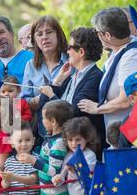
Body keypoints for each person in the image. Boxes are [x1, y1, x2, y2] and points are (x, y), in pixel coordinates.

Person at [78, 7, 137, 130]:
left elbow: (126, 100)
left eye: (97, 33)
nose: (97, 36)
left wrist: (96, 108)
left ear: (107, 35)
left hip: (131, 135)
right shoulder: (118, 49)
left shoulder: (132, 57)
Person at [37, 27, 106, 155]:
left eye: (70, 47)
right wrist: (57, 80)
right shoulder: (70, 76)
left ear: (81, 52)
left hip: (83, 152)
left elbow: (73, 113)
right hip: (63, 148)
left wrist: (52, 95)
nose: (67, 51)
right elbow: (43, 105)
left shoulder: (95, 77)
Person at [20, 15, 74, 142]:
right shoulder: (30, 65)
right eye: (39, 34)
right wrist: (38, 100)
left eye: (49, 32)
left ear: (58, 35)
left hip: (71, 133)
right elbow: (24, 101)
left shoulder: (71, 60)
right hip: (45, 136)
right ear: (35, 40)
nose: (44, 37)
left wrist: (49, 95)